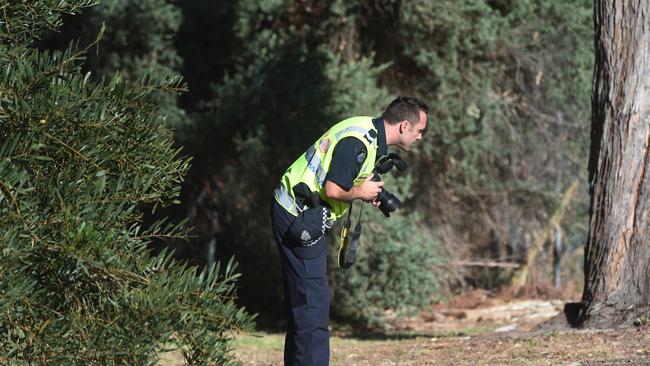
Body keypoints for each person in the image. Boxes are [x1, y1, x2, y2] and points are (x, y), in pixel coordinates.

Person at [271, 96, 428, 366]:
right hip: (299, 215)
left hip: (300, 211)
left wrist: (368, 192)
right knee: (313, 308)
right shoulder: (358, 142)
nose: (420, 137)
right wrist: (360, 192)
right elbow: (333, 189)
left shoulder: (368, 132)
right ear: (404, 126)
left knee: (306, 306)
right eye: (419, 131)